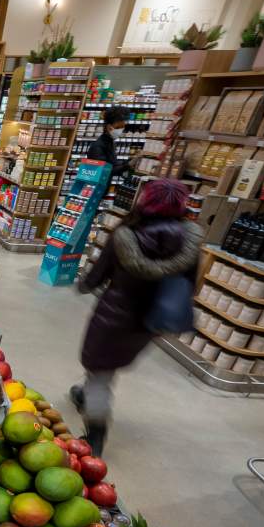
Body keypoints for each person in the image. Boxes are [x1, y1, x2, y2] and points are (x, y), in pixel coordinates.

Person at [71, 178, 202, 455]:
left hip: (116, 315)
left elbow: (100, 272)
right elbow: (191, 282)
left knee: (100, 369)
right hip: (150, 320)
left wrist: (84, 284)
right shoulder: (188, 240)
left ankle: (96, 434)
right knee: (107, 364)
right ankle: (86, 392)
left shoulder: (127, 234)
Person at [86, 106, 132, 178]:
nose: (120, 130)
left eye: (122, 127)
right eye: (117, 127)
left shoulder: (110, 142)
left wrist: (129, 161)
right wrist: (128, 165)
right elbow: (104, 171)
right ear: (109, 127)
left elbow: (112, 164)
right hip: (94, 187)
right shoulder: (98, 146)